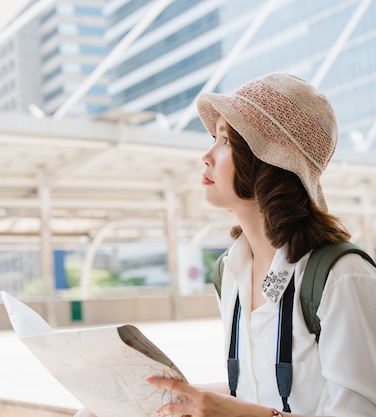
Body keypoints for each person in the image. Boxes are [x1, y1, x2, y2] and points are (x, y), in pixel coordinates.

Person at [76, 73, 376, 417]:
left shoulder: (342, 277)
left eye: (225, 141)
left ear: (268, 163)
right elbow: (252, 391)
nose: (206, 156)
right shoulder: (229, 270)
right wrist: (137, 401)